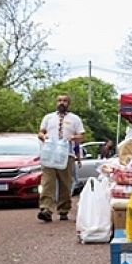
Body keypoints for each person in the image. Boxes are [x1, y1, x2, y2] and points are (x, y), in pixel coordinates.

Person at [37, 94, 85, 222]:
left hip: (66, 155)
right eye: (59, 100)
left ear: (68, 103)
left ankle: (63, 210)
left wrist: (73, 138)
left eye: (64, 101)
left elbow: (82, 136)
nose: (61, 103)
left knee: (65, 183)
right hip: (49, 154)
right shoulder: (48, 117)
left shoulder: (75, 119)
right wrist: (43, 136)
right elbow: (40, 132)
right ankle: (45, 209)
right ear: (56, 103)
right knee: (47, 182)